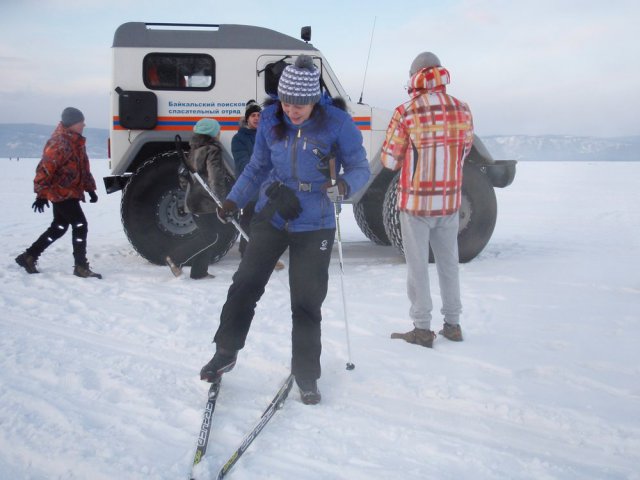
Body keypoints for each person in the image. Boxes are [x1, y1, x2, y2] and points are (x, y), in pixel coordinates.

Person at [199, 55, 370, 404]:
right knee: (245, 284)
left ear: (314, 100)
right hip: (273, 213)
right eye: (288, 103)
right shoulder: (271, 120)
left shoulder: (336, 123)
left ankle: (306, 372)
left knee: (306, 301)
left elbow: (360, 168)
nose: (293, 111)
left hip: (315, 220)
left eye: (301, 105)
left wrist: (345, 187)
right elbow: (258, 166)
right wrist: (233, 200)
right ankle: (225, 351)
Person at [381, 52, 474, 348]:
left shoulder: (406, 111)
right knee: (449, 263)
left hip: (416, 203)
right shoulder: (462, 109)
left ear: (414, 77)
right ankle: (453, 324)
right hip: (449, 201)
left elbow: (390, 159)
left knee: (418, 266)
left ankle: (422, 329)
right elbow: (466, 149)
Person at [15, 107, 102, 279]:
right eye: (80, 122)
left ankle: (28, 256)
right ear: (72, 123)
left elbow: (83, 168)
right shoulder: (59, 143)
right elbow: (45, 169)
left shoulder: (77, 143)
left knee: (59, 227)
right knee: (79, 225)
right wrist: (40, 194)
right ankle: (80, 266)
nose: (84, 124)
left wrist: (90, 188)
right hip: (60, 192)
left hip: (71, 192)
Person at [165, 118, 226, 279]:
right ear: (213, 133)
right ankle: (176, 258)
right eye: (218, 131)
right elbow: (215, 177)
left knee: (209, 235)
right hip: (206, 201)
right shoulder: (213, 150)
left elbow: (183, 177)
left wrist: (190, 190)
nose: (220, 134)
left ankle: (199, 272)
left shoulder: (193, 149)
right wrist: (221, 201)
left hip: (194, 199)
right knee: (210, 236)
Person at [231, 100, 285, 271]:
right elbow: (243, 163)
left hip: (269, 188)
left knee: (269, 224)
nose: (256, 118)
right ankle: (247, 257)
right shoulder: (239, 138)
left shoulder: (267, 135)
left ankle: (266, 257)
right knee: (249, 222)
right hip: (251, 188)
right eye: (253, 115)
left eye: (259, 115)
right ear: (247, 119)